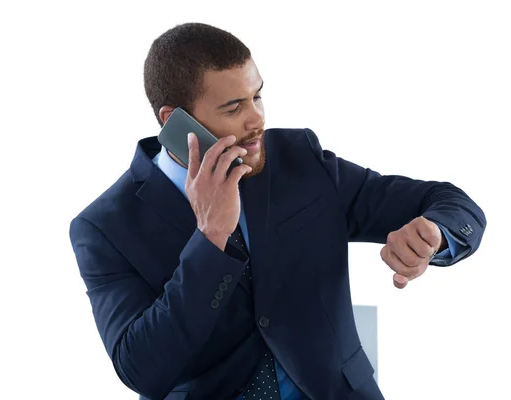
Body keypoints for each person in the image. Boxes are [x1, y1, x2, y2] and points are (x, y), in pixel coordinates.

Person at [68, 22, 486, 400]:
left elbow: (452, 203)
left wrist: (435, 235)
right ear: (174, 121)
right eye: (233, 108)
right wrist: (210, 239)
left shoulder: (298, 160)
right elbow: (142, 368)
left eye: (258, 96)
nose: (256, 120)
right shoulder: (104, 226)